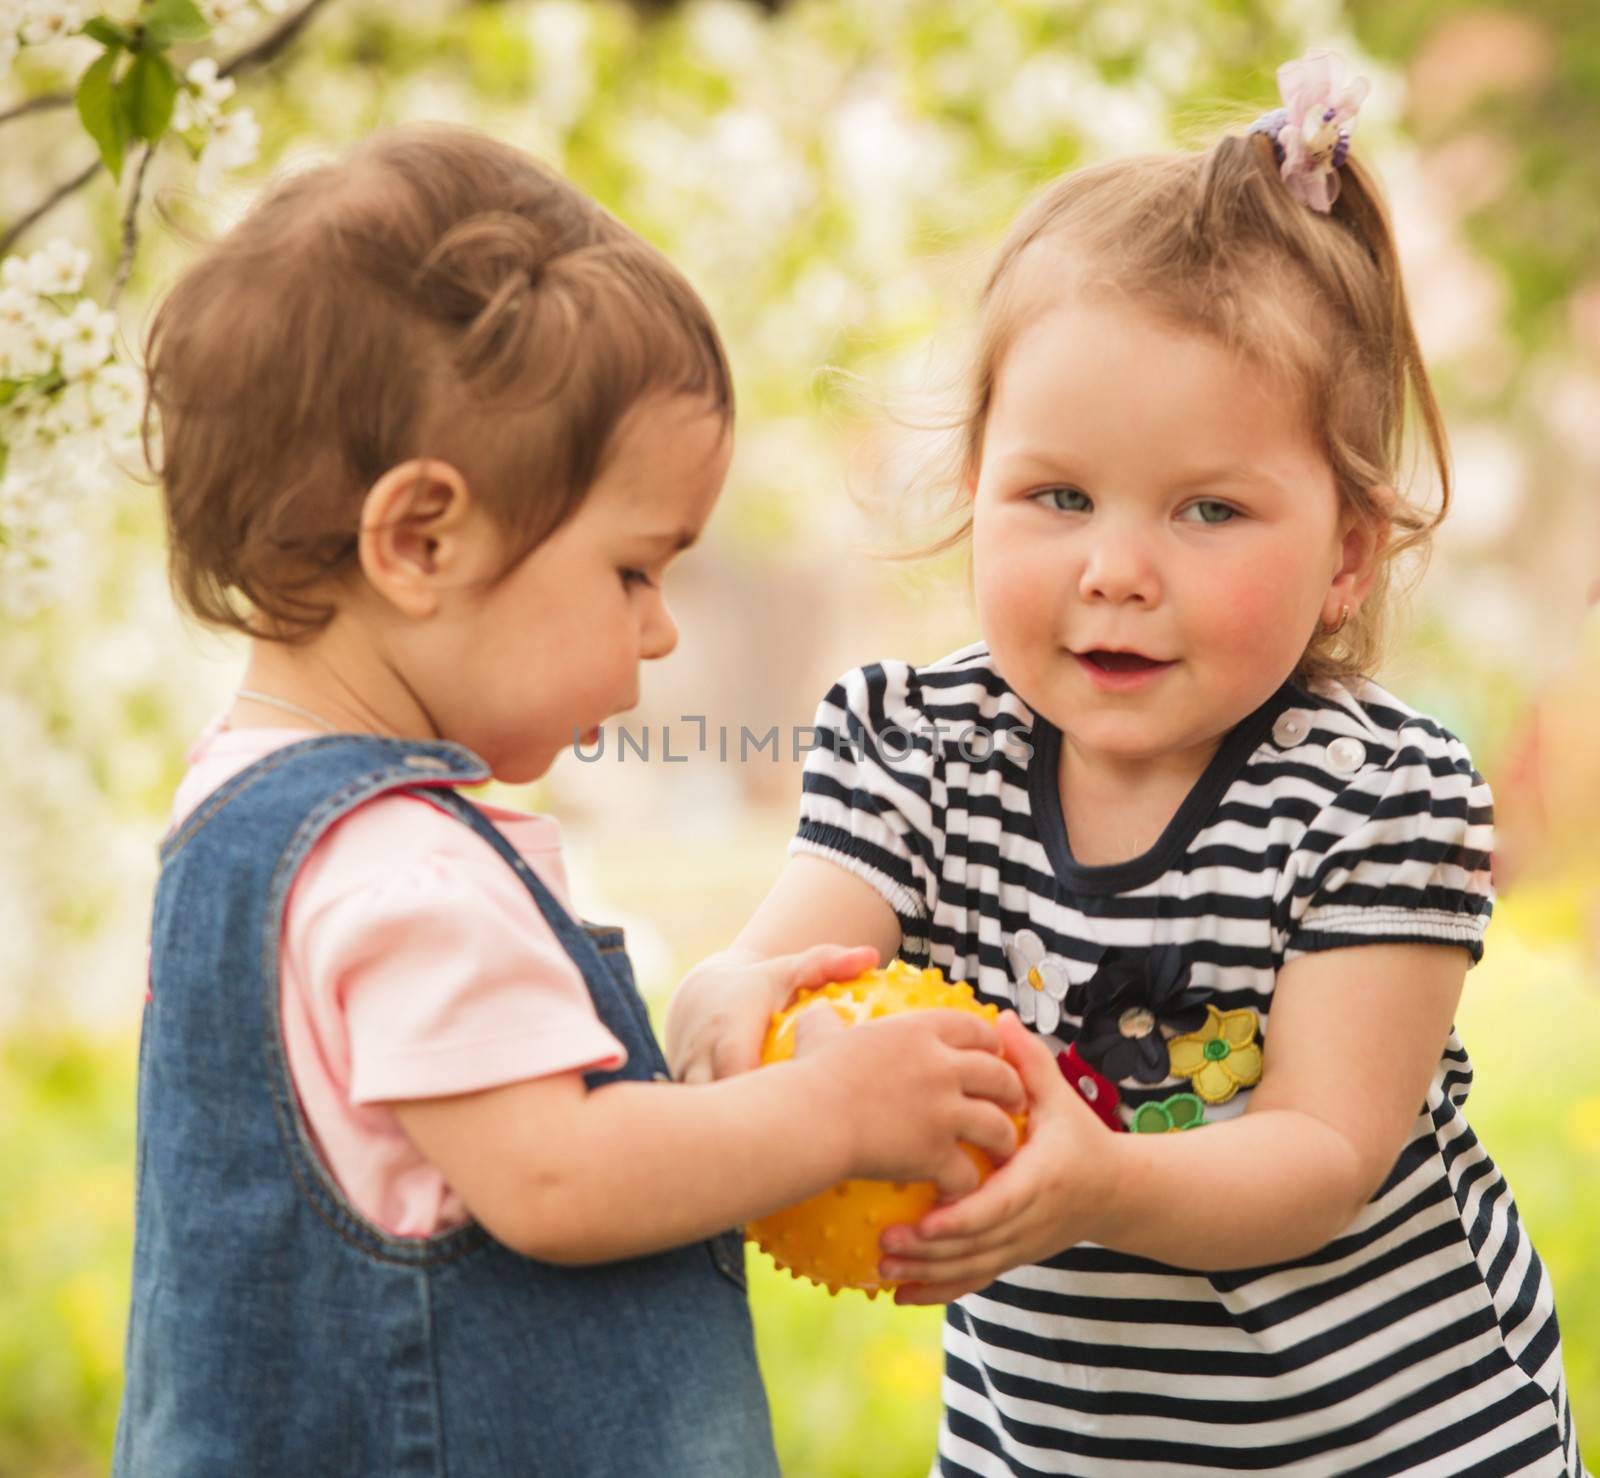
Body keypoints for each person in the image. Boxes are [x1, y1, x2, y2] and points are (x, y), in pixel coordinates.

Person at [667, 52, 1585, 1475]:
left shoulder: (1376, 797)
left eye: (1209, 508)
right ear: (975, 489)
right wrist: (729, 1001)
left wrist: (1104, 1178)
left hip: (1386, 1440)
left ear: (1347, 552)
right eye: (1057, 495)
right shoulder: (917, 746)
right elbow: (794, 969)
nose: (1114, 570)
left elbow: (1322, 1156)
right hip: (1052, 1447)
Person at [113, 125, 1027, 1477]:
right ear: (422, 539)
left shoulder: (239, 815)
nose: (660, 635)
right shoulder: (400, 874)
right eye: (633, 571)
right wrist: (831, 1113)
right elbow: (558, 1175)